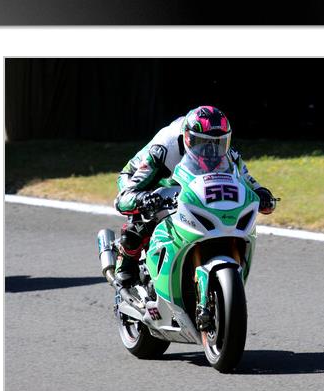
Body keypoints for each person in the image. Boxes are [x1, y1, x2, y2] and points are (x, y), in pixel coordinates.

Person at [113, 105, 277, 287]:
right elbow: (124, 198)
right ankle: (125, 262)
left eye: (219, 143)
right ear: (188, 138)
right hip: (148, 179)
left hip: (190, 182)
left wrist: (263, 195)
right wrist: (143, 199)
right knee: (144, 216)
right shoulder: (164, 149)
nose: (211, 150)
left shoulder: (228, 154)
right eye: (203, 142)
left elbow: (248, 181)